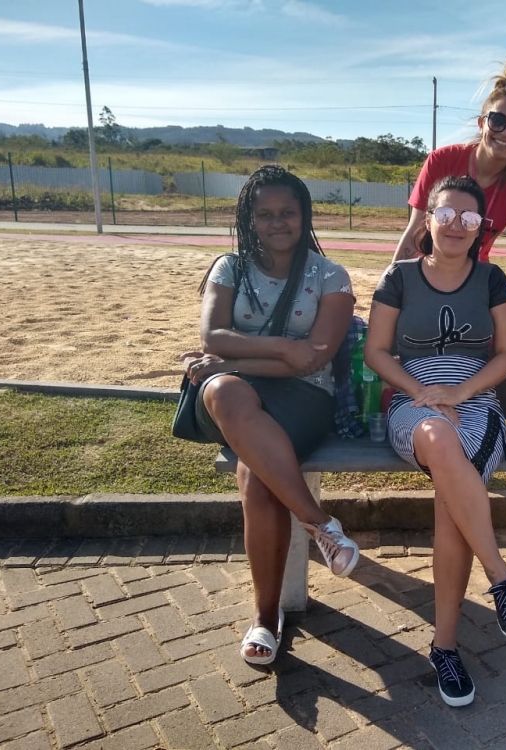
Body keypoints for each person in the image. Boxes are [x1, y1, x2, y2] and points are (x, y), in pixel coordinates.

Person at [181, 165, 360, 667]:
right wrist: (279, 348)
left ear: (304, 216)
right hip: (232, 397)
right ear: (249, 218)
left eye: (288, 212)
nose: (277, 222)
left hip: (305, 396)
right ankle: (319, 524)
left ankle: (265, 618)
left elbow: (314, 359)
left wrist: (234, 360)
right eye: (265, 214)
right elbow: (211, 337)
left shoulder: (331, 276)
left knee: (258, 479)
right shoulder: (229, 269)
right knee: (223, 391)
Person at [366, 175, 506, 707]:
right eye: (445, 214)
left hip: (476, 402)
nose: (456, 225)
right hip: (413, 401)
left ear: (482, 227)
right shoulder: (399, 276)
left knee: (451, 507)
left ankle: (444, 648)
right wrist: (423, 392)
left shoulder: (490, 278)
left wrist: (460, 391)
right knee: (438, 437)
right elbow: (376, 351)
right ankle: (501, 578)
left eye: (468, 217)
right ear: (428, 219)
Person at [392, 61, 506, 312]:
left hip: (472, 281)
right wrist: (389, 294)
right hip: (424, 273)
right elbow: (415, 230)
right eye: (497, 121)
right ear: (482, 123)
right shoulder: (442, 161)